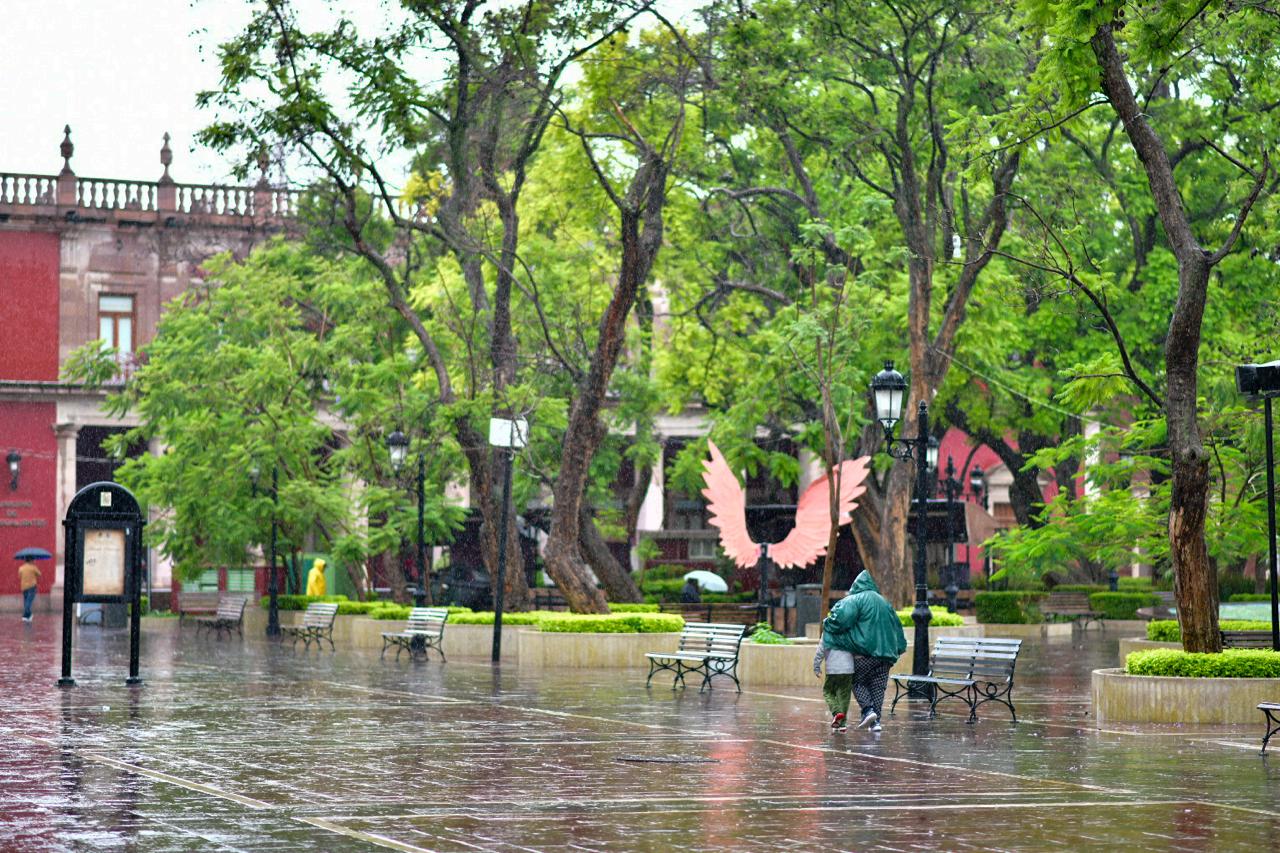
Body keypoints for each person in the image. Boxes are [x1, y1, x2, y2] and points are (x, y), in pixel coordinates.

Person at [819, 570, 907, 732]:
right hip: (886, 657)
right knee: (878, 687)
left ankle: (867, 710)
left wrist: (827, 623)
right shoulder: (885, 602)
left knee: (856, 681)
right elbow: (898, 629)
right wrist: (899, 648)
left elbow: (839, 620)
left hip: (864, 654)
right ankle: (876, 722)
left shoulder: (854, 600)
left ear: (856, 585)